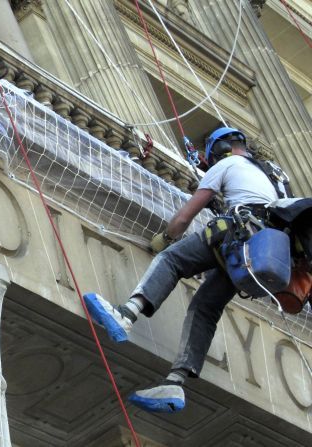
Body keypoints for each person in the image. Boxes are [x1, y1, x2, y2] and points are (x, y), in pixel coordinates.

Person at [84, 127, 280, 413]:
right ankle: (176, 382)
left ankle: (125, 315)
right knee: (205, 309)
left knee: (172, 260)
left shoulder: (226, 164)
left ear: (221, 150)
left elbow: (184, 217)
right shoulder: (269, 179)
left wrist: (166, 238)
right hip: (259, 255)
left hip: (237, 234)